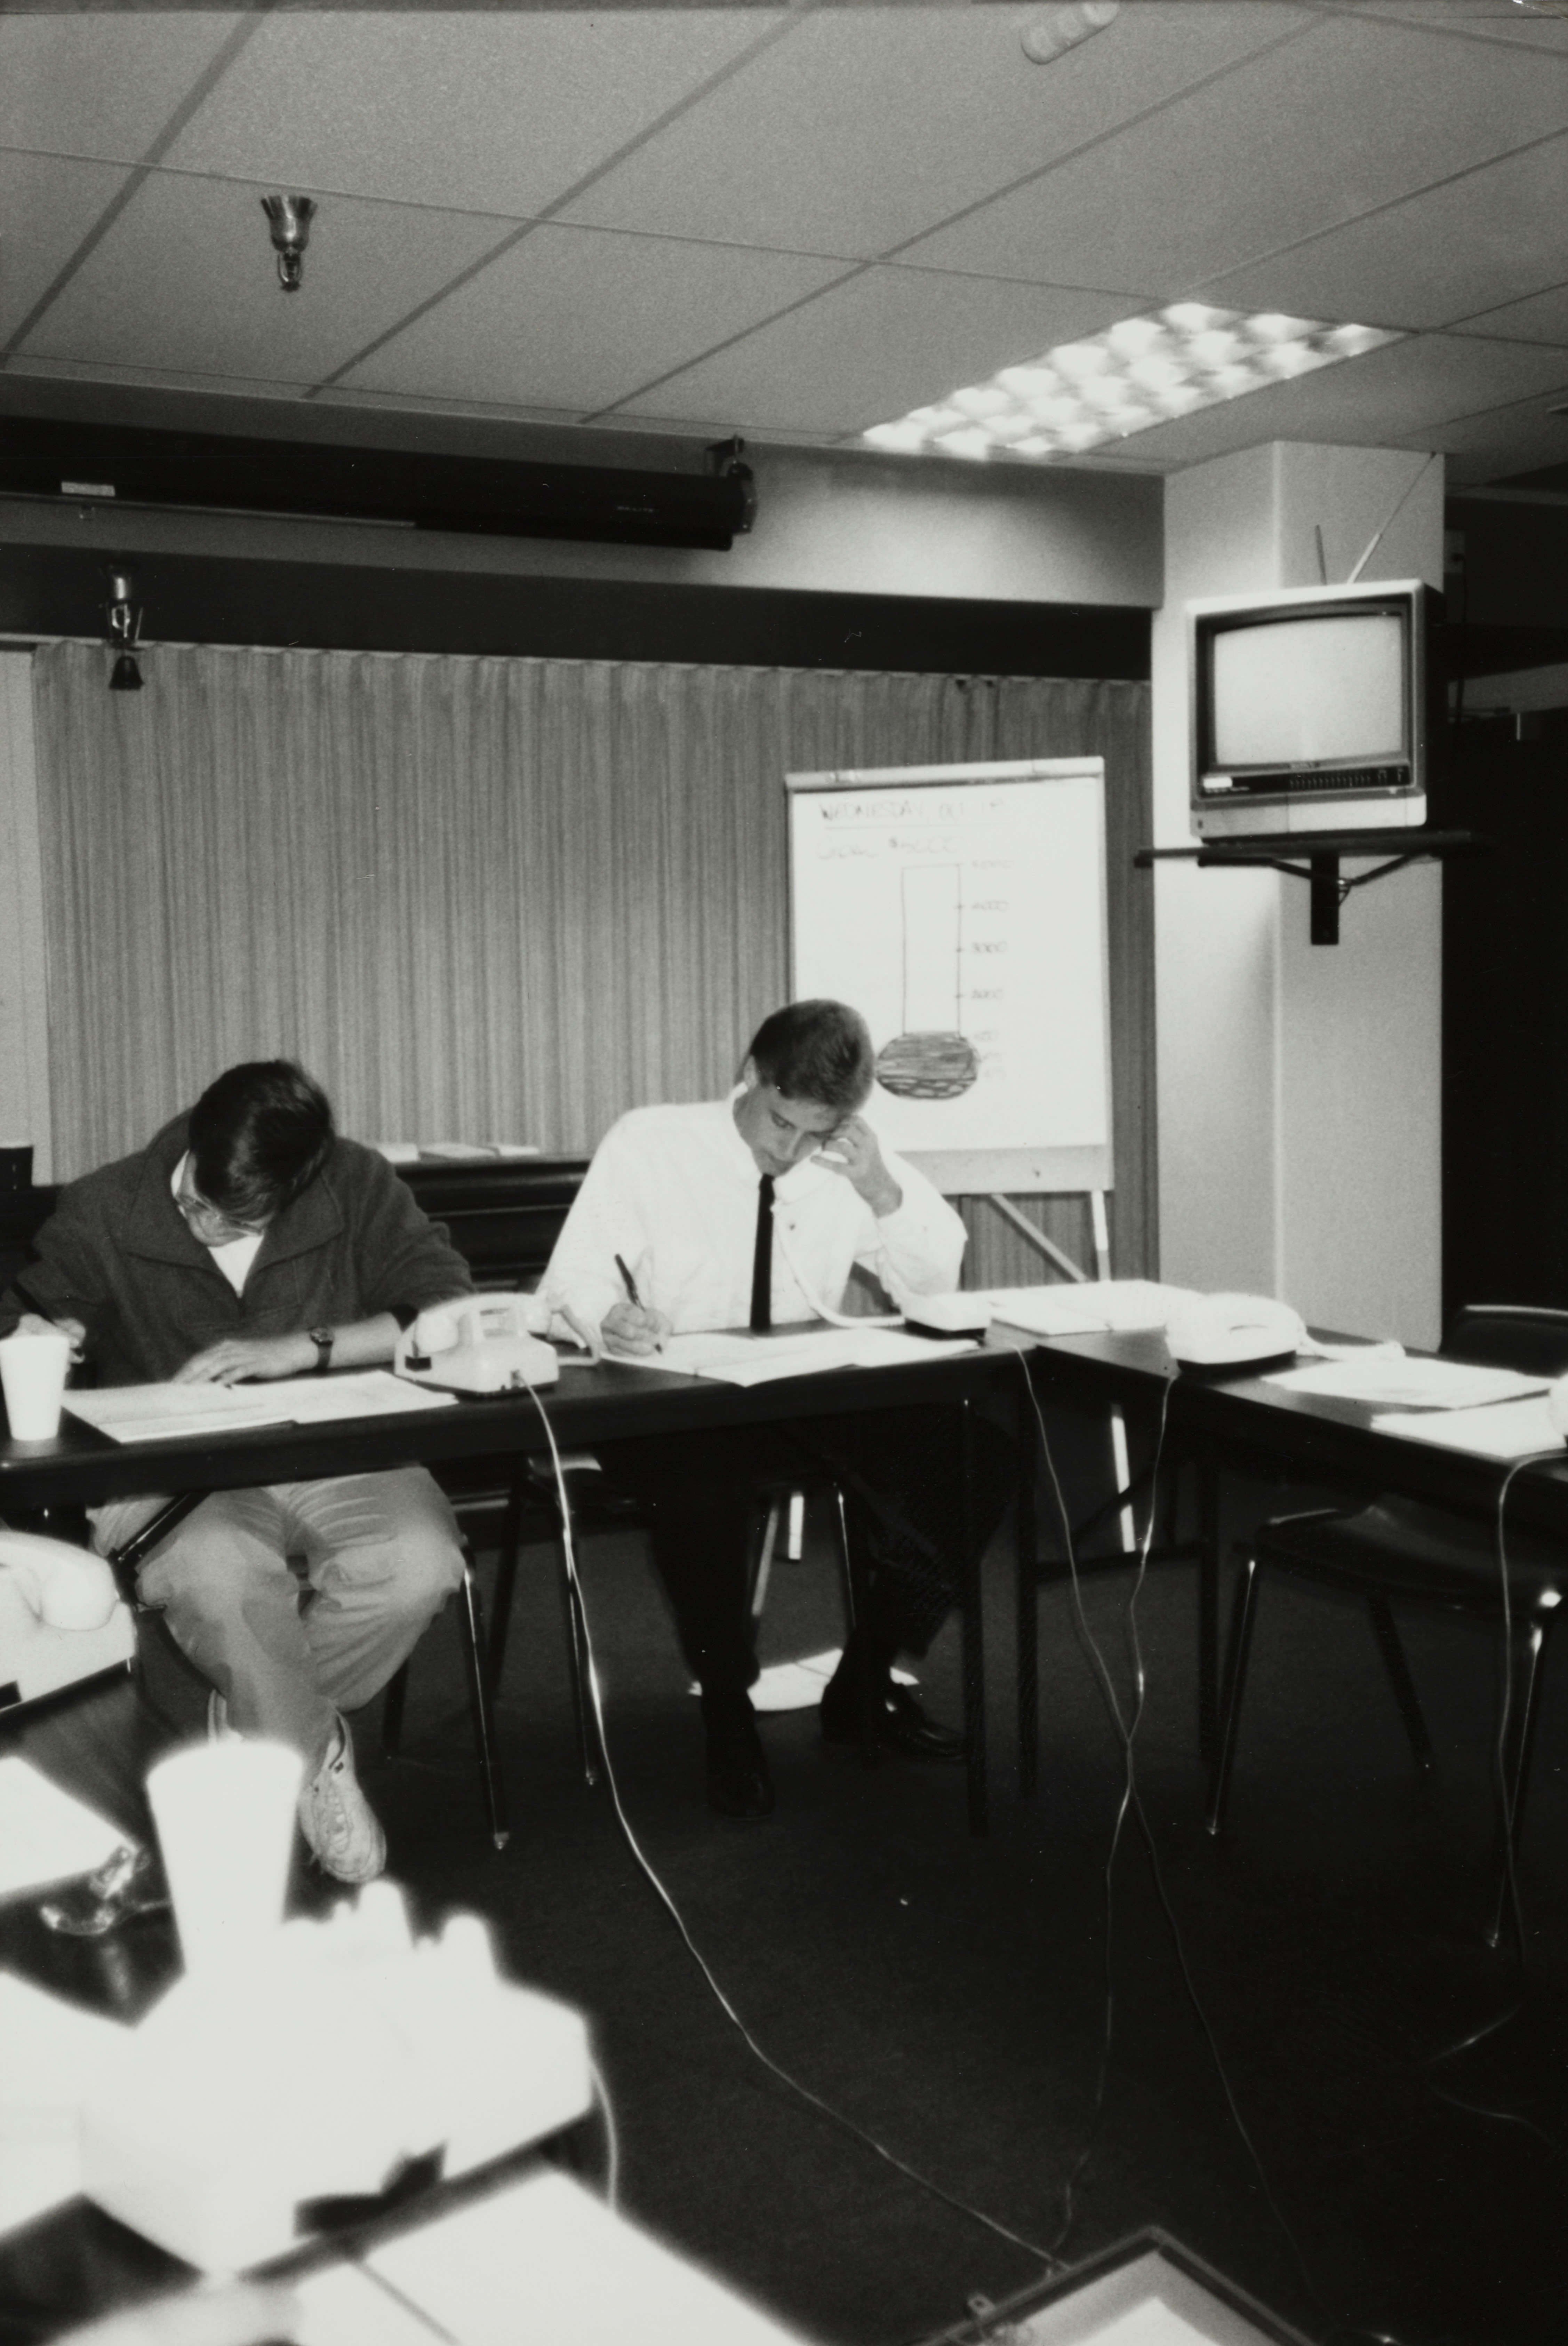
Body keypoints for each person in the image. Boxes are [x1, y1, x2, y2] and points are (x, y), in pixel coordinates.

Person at [0, 1061, 474, 1884]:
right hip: (170, 1471)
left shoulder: (354, 1181)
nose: (208, 1226)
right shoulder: (110, 1202)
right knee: (224, 1585)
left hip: (333, 1445)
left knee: (420, 1565)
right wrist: (46, 1332)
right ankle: (311, 1752)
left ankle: (260, 1719)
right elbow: (34, 1309)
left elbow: (441, 1308)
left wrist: (305, 1348)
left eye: (236, 1217)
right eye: (195, 1205)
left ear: (300, 1182)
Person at [540, 999, 1010, 1820]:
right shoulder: (651, 1141)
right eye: (780, 1123)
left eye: (812, 1135)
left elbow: (935, 1287)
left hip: (807, 1396)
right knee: (704, 1491)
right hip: (669, 1402)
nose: (788, 1151)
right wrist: (605, 1315)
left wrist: (879, 1189)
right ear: (749, 1078)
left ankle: (865, 1682)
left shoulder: (846, 1154)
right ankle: (727, 1704)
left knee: (977, 1452)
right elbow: (571, 1281)